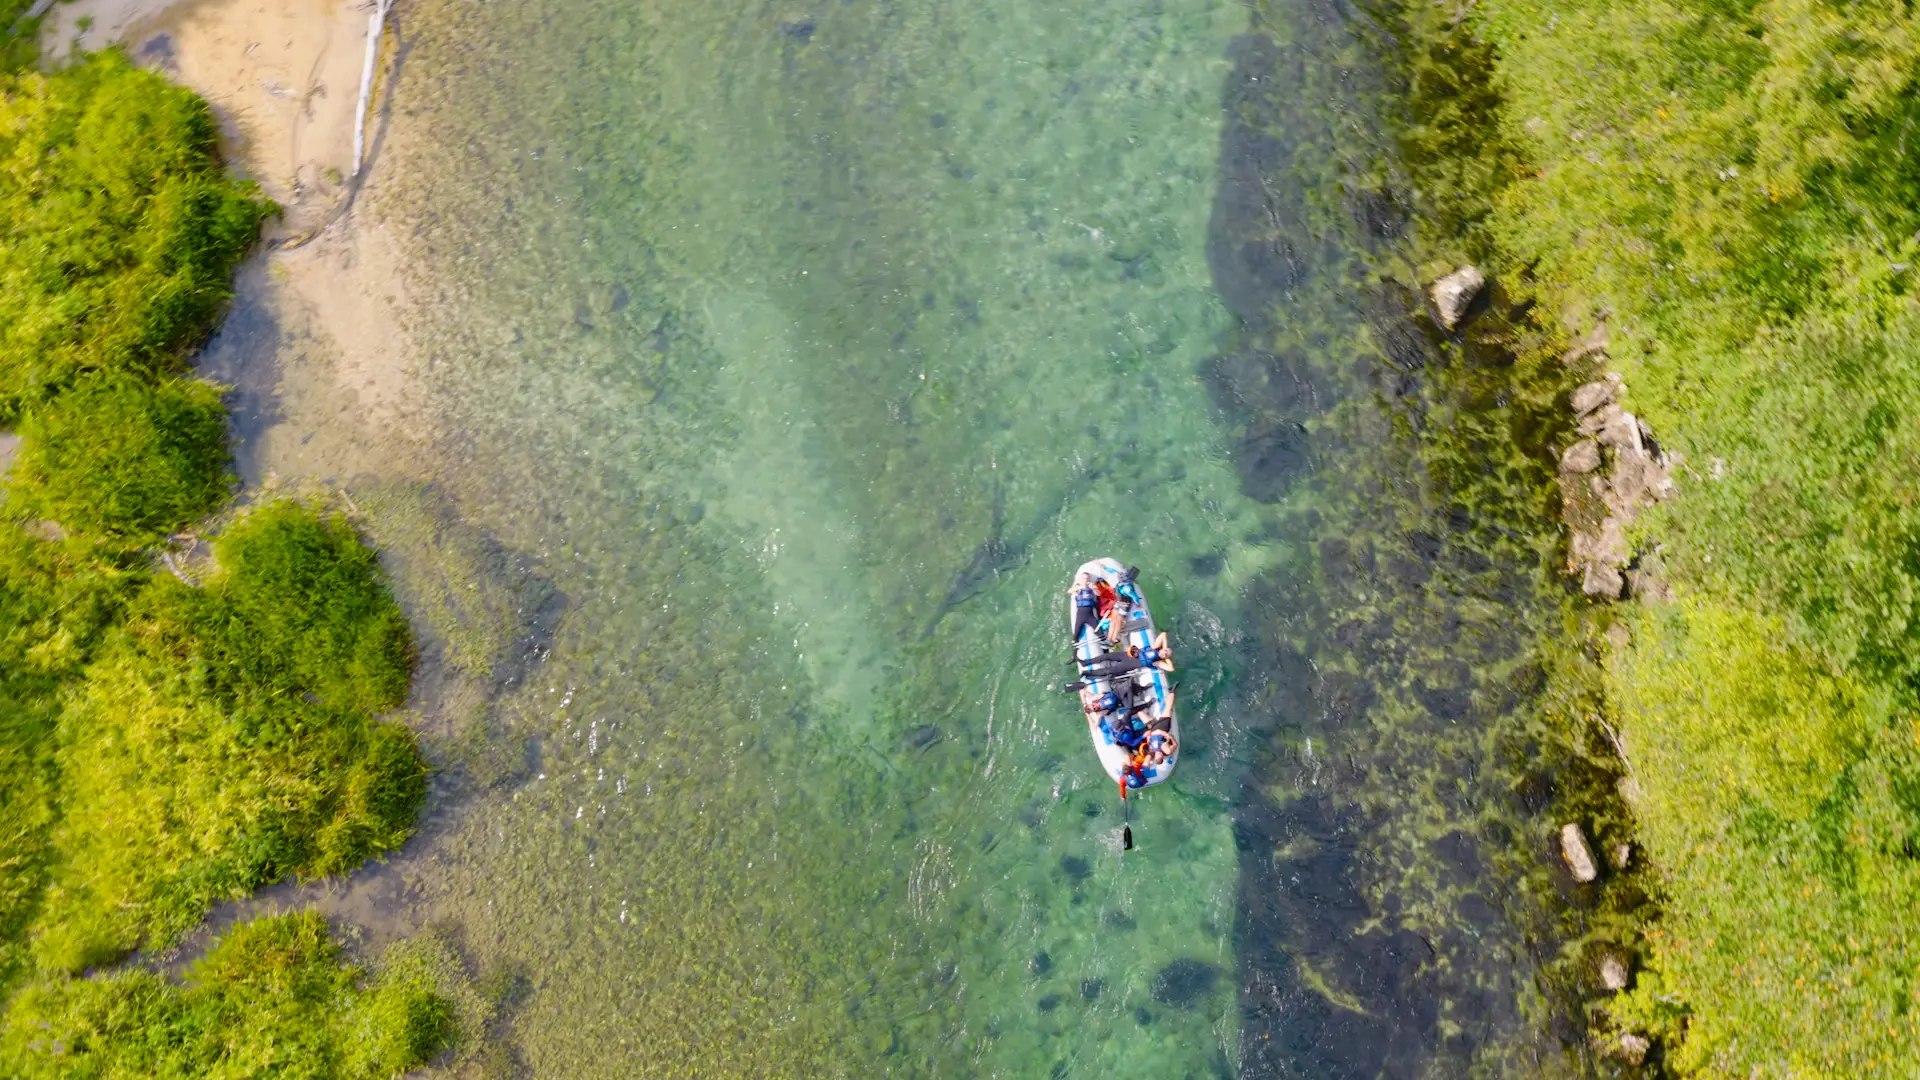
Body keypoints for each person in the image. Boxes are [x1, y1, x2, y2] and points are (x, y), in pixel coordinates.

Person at [1067, 573, 1100, 642]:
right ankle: (1075, 650)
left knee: (1099, 631)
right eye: (1084, 578)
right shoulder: (1078, 586)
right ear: (1081, 579)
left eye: (1087, 578)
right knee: (1076, 634)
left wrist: (1094, 589)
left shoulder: (1091, 586)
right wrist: (1080, 587)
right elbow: (1069, 591)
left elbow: (1098, 594)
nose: (1086, 580)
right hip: (1081, 613)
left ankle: (1105, 649)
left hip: (1090, 613)